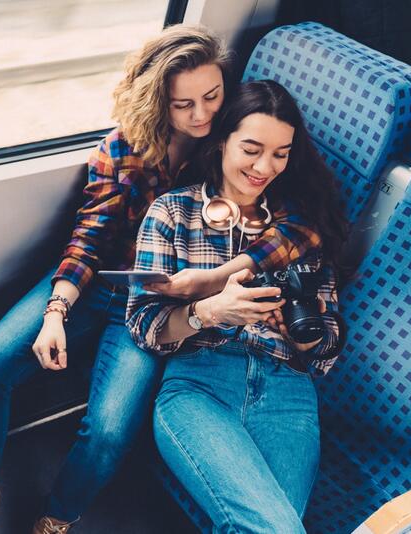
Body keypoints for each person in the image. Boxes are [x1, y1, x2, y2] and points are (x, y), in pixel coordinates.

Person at [0, 26, 320, 534]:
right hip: (100, 282)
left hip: (154, 304)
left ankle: (58, 516)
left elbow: (295, 228)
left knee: (108, 430)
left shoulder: (234, 149)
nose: (202, 115)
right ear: (156, 102)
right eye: (183, 104)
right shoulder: (121, 151)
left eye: (212, 97)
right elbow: (88, 239)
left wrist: (206, 280)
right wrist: (56, 311)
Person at [127, 79, 348, 533]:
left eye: (280, 154)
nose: (265, 166)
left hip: (288, 392)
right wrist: (208, 312)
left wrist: (296, 330)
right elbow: (144, 324)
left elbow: (327, 348)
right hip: (201, 384)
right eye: (252, 148)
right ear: (223, 138)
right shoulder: (173, 213)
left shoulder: (302, 225)